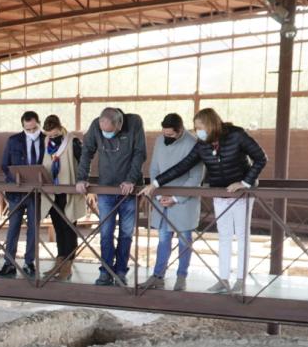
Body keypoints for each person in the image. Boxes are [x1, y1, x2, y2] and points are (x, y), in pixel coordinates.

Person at [150, 107, 267, 294]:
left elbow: (261, 158)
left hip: (241, 193)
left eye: (199, 127)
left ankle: (241, 279)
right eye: (195, 128)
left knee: (242, 235)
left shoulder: (237, 135)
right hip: (219, 192)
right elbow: (183, 166)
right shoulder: (203, 145)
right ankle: (223, 279)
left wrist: (244, 183)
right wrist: (155, 183)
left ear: (210, 124)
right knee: (224, 236)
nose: (197, 132)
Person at [75, 107, 147, 286]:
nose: (106, 135)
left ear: (119, 124)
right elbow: (87, 152)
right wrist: (81, 178)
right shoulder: (96, 125)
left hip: (129, 189)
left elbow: (140, 153)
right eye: (103, 132)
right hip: (106, 188)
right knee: (106, 232)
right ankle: (106, 271)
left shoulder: (135, 122)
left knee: (126, 232)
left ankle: (121, 271)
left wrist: (131, 180)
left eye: (110, 132)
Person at [142, 113, 203, 291]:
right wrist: (159, 195)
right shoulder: (160, 140)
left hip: (183, 202)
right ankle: (158, 275)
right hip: (161, 197)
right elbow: (154, 168)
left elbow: (196, 177)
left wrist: (176, 198)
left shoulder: (193, 143)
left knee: (185, 240)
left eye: (170, 135)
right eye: (164, 133)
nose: (166, 137)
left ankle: (181, 277)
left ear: (180, 130)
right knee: (162, 239)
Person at [0, 110, 47, 278]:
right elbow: (4, 165)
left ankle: (29, 263)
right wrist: (18, 179)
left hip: (36, 193)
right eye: (28, 130)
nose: (32, 132)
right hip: (16, 192)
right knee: (13, 227)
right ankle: (9, 263)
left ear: (38, 124)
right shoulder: (13, 141)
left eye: (34, 129)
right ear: (23, 127)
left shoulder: (46, 140)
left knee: (34, 228)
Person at [39, 114, 85, 281]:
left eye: (54, 134)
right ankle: (59, 260)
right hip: (53, 192)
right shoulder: (47, 143)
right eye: (49, 135)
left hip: (68, 191)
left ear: (60, 128)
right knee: (58, 227)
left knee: (69, 228)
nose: (51, 137)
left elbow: (83, 161)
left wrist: (81, 180)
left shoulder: (72, 141)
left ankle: (68, 265)